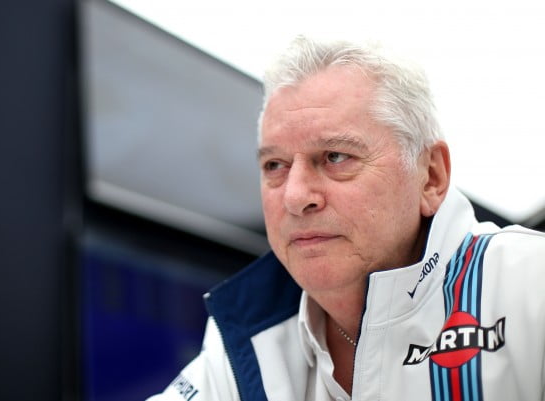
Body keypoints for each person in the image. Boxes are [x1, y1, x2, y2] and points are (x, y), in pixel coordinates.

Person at [146, 36, 545, 401]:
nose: (296, 196)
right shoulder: (246, 338)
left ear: (431, 177)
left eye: (336, 157)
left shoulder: (529, 286)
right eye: (275, 165)